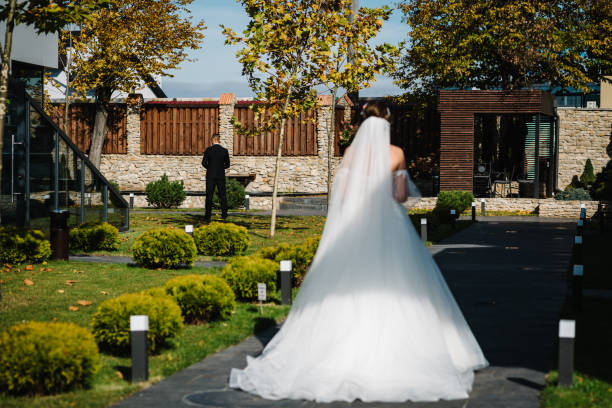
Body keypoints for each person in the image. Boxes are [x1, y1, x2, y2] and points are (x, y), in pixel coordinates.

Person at [229, 101, 488, 403]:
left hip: (353, 229)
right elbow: (402, 195)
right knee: (401, 283)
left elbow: (342, 195)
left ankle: (334, 353)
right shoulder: (396, 154)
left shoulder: (351, 154)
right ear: (387, 124)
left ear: (363, 124)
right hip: (388, 228)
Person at [202, 134, 230, 221]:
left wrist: (210, 168)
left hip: (210, 175)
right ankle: (224, 214)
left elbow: (203, 163)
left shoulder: (208, 150)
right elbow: (228, 164)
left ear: (213, 140)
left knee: (209, 196)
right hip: (221, 175)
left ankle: (207, 216)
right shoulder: (224, 151)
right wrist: (221, 168)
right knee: (223, 195)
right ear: (219, 140)